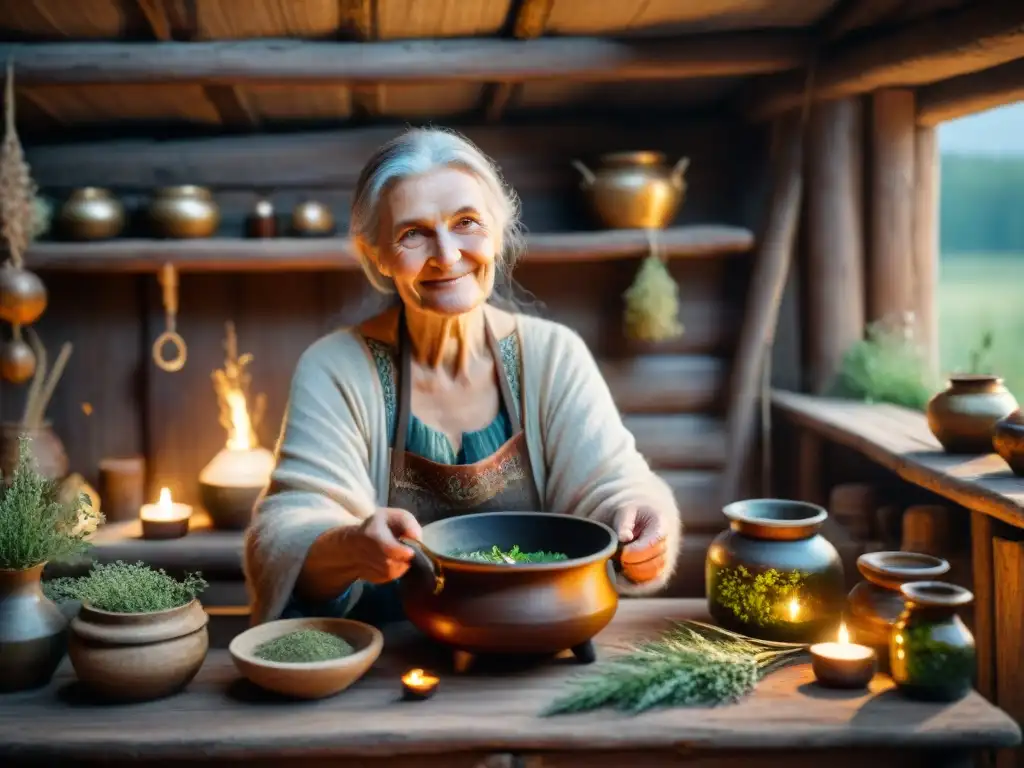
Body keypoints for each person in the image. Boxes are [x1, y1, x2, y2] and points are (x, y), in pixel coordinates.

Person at [243, 127, 683, 626]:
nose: (447, 255)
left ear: (497, 231)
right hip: (382, 653)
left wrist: (639, 522)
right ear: (376, 254)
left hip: (533, 642)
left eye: (466, 222)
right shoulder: (336, 367)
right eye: (413, 233)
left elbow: (614, 485)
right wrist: (348, 546)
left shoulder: (553, 355)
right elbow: (286, 529)